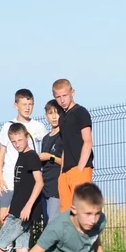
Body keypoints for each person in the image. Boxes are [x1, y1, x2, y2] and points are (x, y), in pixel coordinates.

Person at [0, 123, 43, 252]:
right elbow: (20, 188)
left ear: (27, 137)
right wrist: (10, 209)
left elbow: (39, 182)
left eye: (19, 140)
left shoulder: (30, 157)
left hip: (24, 212)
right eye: (13, 142)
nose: (17, 144)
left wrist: (28, 206)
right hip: (17, 210)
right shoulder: (20, 158)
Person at [0, 89, 48, 227]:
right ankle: (6, 247)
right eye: (24, 104)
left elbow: (47, 147)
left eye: (30, 104)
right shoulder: (8, 126)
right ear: (16, 105)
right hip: (9, 181)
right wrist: (0, 179)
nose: (27, 108)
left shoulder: (39, 126)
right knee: (4, 219)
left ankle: (23, 248)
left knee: (25, 221)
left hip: (28, 182)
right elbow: (1, 154)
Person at [52, 79, 94, 212]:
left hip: (79, 169)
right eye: (58, 97)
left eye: (64, 95)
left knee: (81, 210)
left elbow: (87, 141)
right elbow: (65, 146)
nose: (62, 100)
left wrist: (80, 169)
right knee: (65, 213)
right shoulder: (62, 118)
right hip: (65, 173)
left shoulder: (81, 112)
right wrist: (61, 174)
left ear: (72, 92)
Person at [38, 100, 65, 223]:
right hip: (45, 185)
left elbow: (67, 161)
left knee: (52, 223)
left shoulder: (64, 135)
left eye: (57, 113)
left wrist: (50, 157)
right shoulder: (45, 138)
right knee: (47, 220)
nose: (54, 117)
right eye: (50, 113)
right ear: (46, 116)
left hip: (57, 184)